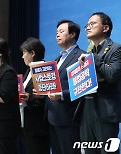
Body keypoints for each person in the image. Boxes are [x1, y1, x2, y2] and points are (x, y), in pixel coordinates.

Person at [77, 12, 121, 154]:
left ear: (105, 28)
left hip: (105, 110)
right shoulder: (88, 53)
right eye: (87, 25)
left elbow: (111, 75)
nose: (88, 27)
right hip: (87, 108)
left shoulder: (116, 49)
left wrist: (93, 58)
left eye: (92, 24)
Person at [45, 20, 84, 154]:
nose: (57, 35)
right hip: (52, 118)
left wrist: (61, 95)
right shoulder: (56, 60)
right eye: (56, 33)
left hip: (69, 118)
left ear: (72, 34)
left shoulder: (81, 56)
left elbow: (82, 87)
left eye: (61, 32)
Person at [19, 37, 49, 154]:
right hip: (28, 123)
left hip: (38, 125)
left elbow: (43, 97)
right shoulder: (29, 71)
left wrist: (29, 98)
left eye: (24, 53)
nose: (22, 57)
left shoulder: (43, 69)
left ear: (32, 53)